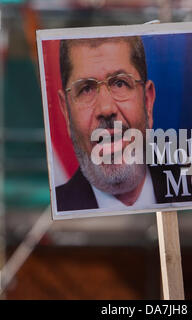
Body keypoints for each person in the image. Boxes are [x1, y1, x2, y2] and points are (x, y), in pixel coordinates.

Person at [56, 36, 159, 211]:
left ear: (147, 102)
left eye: (120, 83)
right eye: (86, 89)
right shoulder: (57, 212)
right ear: (66, 112)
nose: (105, 109)